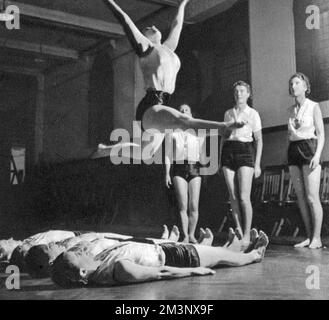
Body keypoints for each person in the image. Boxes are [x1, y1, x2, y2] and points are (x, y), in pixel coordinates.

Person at [92, 0, 244, 162]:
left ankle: (105, 150)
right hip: (151, 105)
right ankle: (222, 127)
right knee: (183, 122)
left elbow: (177, 24)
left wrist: (183, 4)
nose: (153, 27)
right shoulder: (146, 48)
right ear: (144, 37)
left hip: (162, 104)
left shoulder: (167, 48)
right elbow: (124, 18)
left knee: (145, 154)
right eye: (148, 29)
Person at [51, 229, 269, 288]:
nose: (82, 251)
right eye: (78, 256)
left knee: (222, 254)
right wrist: (194, 271)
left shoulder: (99, 262)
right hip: (180, 258)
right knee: (225, 259)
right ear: (81, 272)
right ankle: (253, 255)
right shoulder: (119, 270)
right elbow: (160, 273)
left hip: (166, 249)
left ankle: (240, 249)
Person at [219, 81, 263, 250]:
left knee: (244, 196)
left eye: (242, 91)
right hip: (228, 152)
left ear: (248, 94)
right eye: (236, 91)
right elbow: (224, 137)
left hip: (245, 151)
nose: (239, 94)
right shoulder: (228, 113)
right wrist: (219, 160)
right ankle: (238, 231)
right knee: (233, 196)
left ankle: (246, 234)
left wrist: (257, 164)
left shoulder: (253, 114)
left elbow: (259, 140)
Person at [287, 73, 325, 249]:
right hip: (294, 150)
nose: (293, 86)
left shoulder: (314, 106)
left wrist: (317, 155)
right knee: (301, 197)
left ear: (305, 86)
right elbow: (290, 135)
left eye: (297, 83)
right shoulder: (290, 110)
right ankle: (309, 236)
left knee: (311, 197)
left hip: (310, 148)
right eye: (291, 83)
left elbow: (321, 133)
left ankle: (317, 238)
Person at [165, 104, 206, 243]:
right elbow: (168, 155)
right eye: (181, 110)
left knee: (194, 205)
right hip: (179, 167)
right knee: (183, 205)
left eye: (186, 110)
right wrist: (167, 173)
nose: (184, 112)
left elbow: (201, 153)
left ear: (191, 113)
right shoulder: (172, 132)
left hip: (194, 166)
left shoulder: (198, 131)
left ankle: (192, 234)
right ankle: (185, 235)